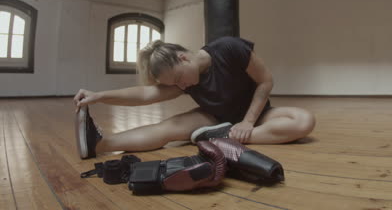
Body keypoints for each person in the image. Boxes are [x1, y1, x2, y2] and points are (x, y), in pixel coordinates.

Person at [73, 36, 315, 159]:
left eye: (179, 78)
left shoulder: (229, 48)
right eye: (175, 84)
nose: (181, 86)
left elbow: (265, 81)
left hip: (255, 114)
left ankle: (223, 138)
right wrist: (99, 96)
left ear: (183, 58)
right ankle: (100, 145)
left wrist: (248, 122)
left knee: (304, 120)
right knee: (168, 128)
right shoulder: (184, 81)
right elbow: (146, 94)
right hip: (213, 118)